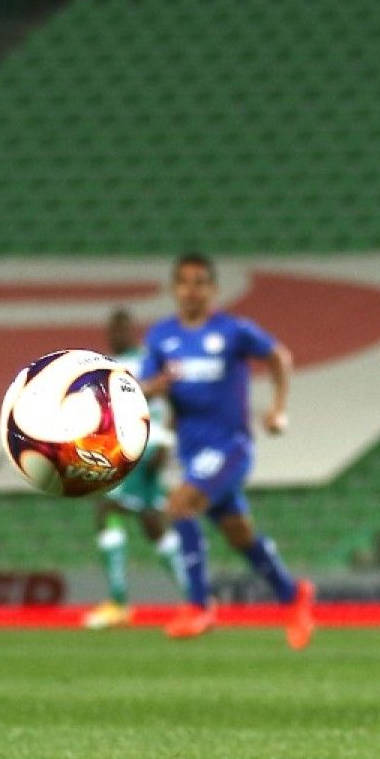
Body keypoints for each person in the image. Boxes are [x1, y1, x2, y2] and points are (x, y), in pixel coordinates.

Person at [138, 253, 315, 650]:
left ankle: (199, 605)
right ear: (173, 289)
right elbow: (143, 385)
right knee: (238, 534)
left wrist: (277, 407)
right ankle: (292, 596)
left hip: (231, 446)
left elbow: (278, 356)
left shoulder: (233, 331)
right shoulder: (161, 337)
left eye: (200, 281)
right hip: (193, 450)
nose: (191, 289)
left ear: (213, 289)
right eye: (184, 282)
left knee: (179, 505)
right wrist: (157, 385)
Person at [82, 308, 188, 629]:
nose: (118, 333)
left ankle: (119, 603)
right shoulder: (104, 366)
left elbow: (174, 400)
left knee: (107, 510)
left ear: (133, 330)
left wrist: (167, 441)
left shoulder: (147, 360)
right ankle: (197, 597)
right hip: (124, 449)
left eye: (123, 328)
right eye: (113, 328)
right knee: (151, 523)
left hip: (147, 446)